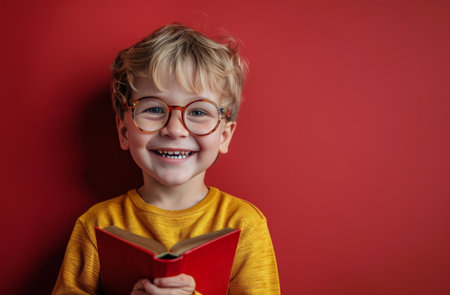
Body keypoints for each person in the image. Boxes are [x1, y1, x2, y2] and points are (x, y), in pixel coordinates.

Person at [52, 24, 280, 295]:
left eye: (198, 112)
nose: (175, 129)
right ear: (124, 131)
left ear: (224, 136)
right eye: (155, 108)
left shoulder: (245, 225)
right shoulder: (95, 225)